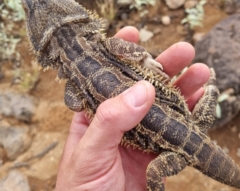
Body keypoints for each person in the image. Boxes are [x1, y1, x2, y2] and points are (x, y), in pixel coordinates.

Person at [55, 26, 210, 191]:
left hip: (177, 137)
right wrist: (143, 59)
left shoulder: (74, 79)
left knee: (154, 171)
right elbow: (127, 48)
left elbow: (74, 104)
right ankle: (212, 89)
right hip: (182, 125)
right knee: (207, 89)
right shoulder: (102, 46)